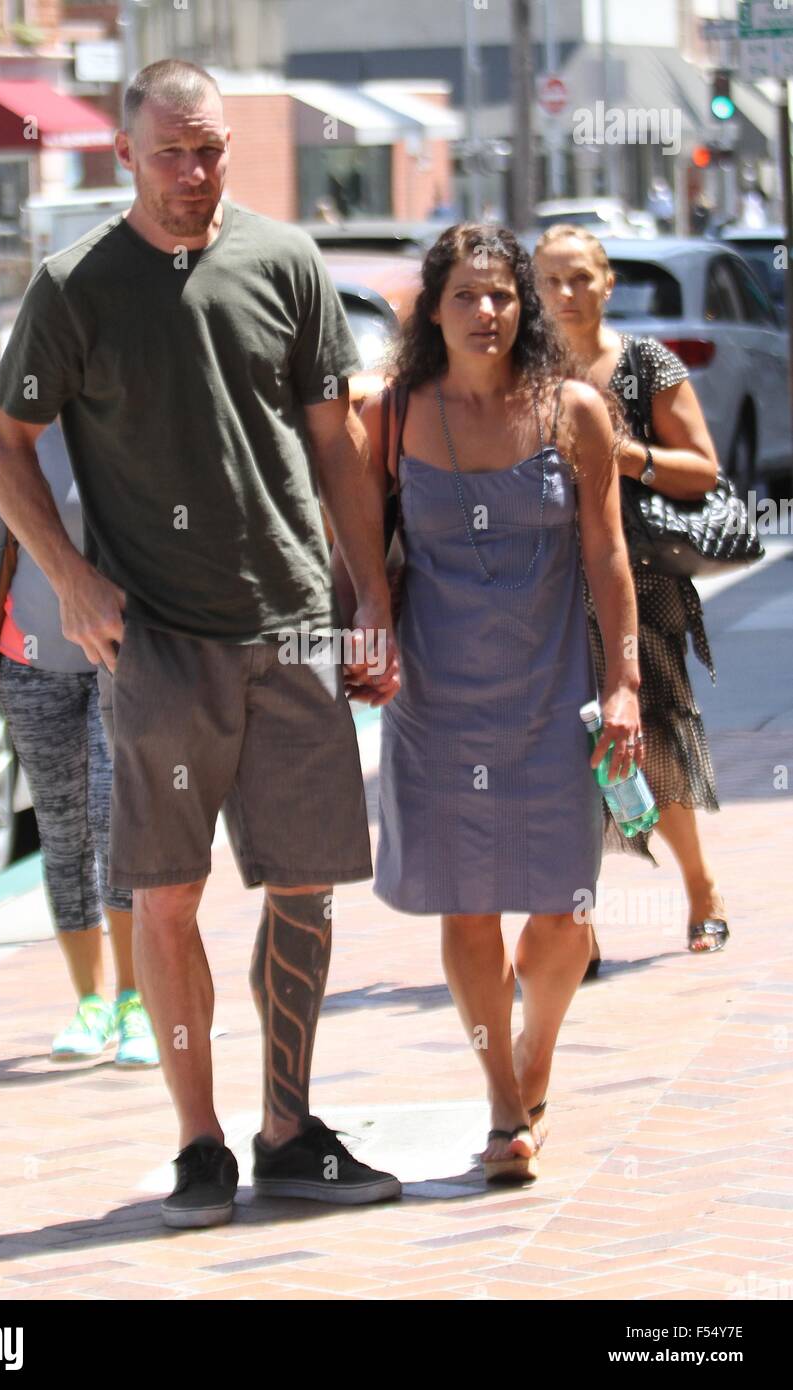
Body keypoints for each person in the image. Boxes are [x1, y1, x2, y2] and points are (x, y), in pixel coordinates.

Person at [0, 58, 402, 1229]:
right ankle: (199, 1143)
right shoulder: (75, 287)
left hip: (293, 626)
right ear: (125, 155)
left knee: (306, 887)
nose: (192, 172)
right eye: (170, 151)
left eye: (209, 149)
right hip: (157, 644)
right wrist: (66, 576)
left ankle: (287, 1129)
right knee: (168, 897)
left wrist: (371, 593)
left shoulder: (285, 261)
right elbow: (1, 443)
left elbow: (336, 444)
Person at [335, 224, 642, 1182]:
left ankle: (532, 1060)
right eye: (465, 295)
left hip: (552, 690)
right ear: (431, 308)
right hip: (436, 696)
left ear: (527, 307)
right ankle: (505, 1108)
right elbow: (358, 546)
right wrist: (368, 621)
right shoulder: (391, 413)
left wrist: (625, 682)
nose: (487, 312)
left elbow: (605, 555)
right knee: (467, 907)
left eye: (503, 294)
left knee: (564, 905)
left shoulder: (573, 411)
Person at [534, 224, 727, 959]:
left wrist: (621, 455)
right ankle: (575, 930)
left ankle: (701, 887)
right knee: (559, 756)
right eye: (550, 281)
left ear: (606, 282)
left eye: (580, 277)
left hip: (639, 581)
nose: (566, 293)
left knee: (651, 744)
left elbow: (701, 470)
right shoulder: (525, 373)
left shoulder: (647, 363)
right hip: (551, 586)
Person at [0, 422, 159, 1067]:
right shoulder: (7, 436)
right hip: (30, 667)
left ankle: (135, 998)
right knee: (63, 833)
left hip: (120, 659)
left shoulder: (126, 410)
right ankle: (90, 1002)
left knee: (112, 817)